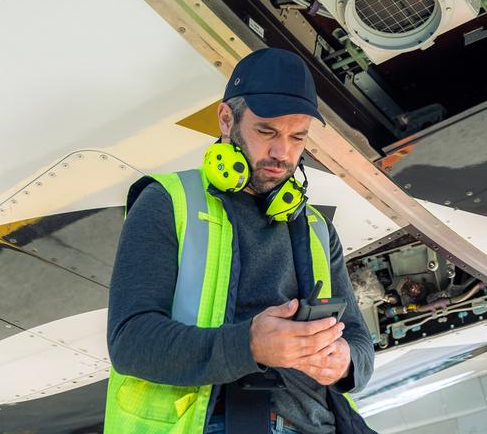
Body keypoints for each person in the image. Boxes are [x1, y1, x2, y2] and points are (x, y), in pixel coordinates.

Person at [103, 48, 375, 433]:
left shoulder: (316, 228)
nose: (283, 152)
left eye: (298, 137)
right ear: (227, 119)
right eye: (267, 132)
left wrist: (344, 361)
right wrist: (250, 346)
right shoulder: (167, 202)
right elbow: (130, 342)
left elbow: (360, 343)